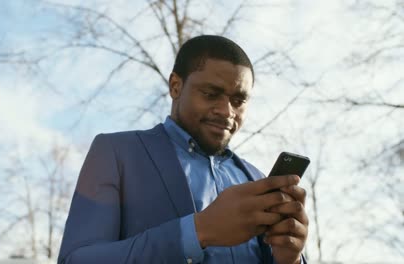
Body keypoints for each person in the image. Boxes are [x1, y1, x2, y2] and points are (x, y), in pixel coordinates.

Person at [58, 35, 308, 264]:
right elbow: (77, 259)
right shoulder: (115, 153)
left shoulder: (256, 178)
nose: (227, 111)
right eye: (211, 94)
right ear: (175, 86)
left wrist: (290, 259)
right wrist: (199, 231)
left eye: (238, 101)